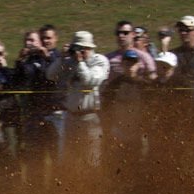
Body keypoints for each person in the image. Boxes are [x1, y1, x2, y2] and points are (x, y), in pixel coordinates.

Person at [45, 31, 109, 166]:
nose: (79, 51)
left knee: (91, 162)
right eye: (77, 48)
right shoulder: (70, 62)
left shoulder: (99, 61)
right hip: (71, 117)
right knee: (70, 160)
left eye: (82, 48)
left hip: (91, 118)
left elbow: (90, 81)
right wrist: (61, 58)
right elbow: (51, 75)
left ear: (90, 48)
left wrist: (80, 63)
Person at [12, 28, 61, 154]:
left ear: (39, 42)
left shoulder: (53, 56)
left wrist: (47, 57)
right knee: (34, 153)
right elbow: (18, 82)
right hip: (32, 113)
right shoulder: (27, 61)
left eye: (33, 40)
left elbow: (54, 78)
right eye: (27, 40)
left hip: (52, 111)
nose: (30, 43)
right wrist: (19, 61)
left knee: (55, 150)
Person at [105, 20, 156, 86]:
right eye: (118, 33)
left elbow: (152, 78)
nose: (121, 36)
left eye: (125, 33)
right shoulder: (108, 58)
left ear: (133, 34)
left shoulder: (144, 57)